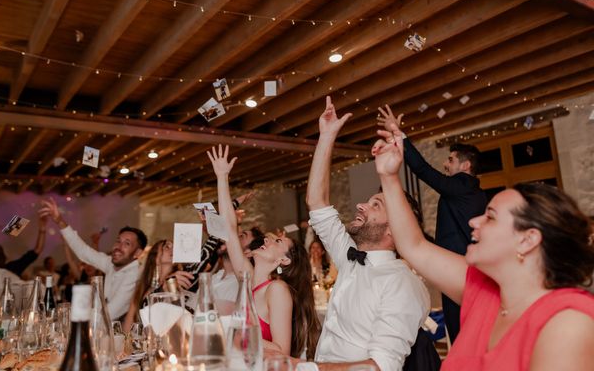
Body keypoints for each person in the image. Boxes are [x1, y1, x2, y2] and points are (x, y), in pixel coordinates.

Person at [373, 122, 594, 370]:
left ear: (527, 239)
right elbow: (413, 245)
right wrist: (388, 177)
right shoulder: (481, 292)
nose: (474, 221)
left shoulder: (566, 322)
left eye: (490, 216)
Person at [297, 96, 430, 371]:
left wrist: (302, 368)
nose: (361, 205)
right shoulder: (349, 258)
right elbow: (317, 203)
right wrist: (326, 137)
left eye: (375, 205)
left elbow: (380, 367)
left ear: (395, 229)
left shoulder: (401, 283)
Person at [378, 105, 486, 341]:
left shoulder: (463, 185)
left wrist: (399, 136)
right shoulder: (467, 192)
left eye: (451, 159)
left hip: (457, 270)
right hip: (459, 267)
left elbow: (423, 170)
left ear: (465, 166)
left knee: (462, 332)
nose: (446, 165)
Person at [208, 145, 320, 358]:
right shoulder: (248, 279)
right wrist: (222, 177)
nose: (268, 239)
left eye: (278, 241)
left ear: (283, 261)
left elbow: (281, 350)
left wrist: (235, 332)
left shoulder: (277, 290)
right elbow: (230, 229)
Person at [39, 198, 147, 321]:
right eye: (118, 241)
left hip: (121, 334)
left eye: (127, 244)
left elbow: (109, 313)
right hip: (101, 326)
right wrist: (59, 221)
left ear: (138, 253)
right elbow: (84, 252)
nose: (118, 247)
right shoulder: (111, 264)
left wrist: (73, 319)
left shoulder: (135, 275)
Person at [122, 240, 193, 332]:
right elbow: (127, 327)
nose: (174, 249)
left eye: (175, 246)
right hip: (147, 342)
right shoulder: (142, 290)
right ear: (155, 258)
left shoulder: (183, 280)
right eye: (167, 246)